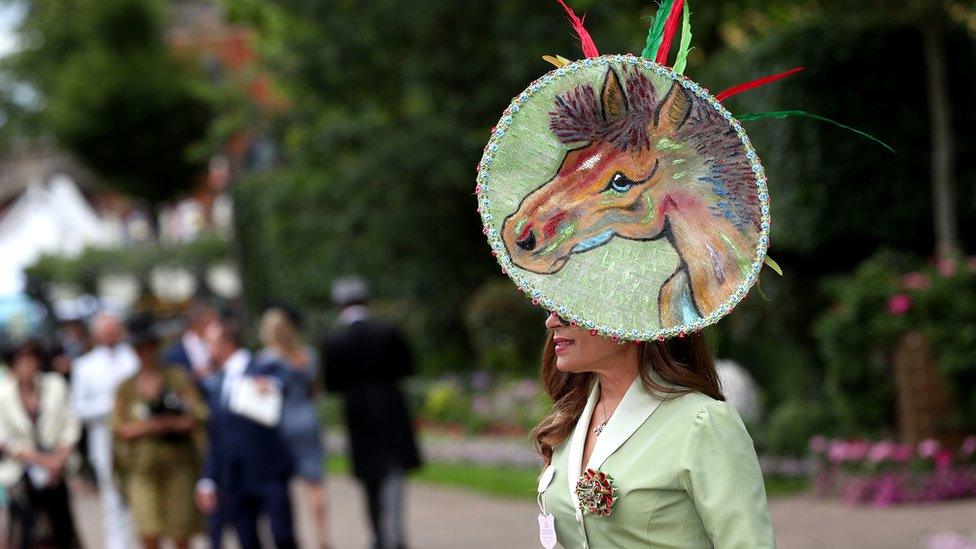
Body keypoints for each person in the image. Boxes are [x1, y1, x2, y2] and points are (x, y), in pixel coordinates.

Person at [322, 277, 421, 549]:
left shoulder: (334, 340)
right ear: (366, 301)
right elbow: (407, 367)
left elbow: (331, 384)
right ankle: (395, 536)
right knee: (393, 473)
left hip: (358, 416)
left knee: (369, 479)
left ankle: (378, 535)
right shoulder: (388, 330)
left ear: (338, 305)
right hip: (391, 410)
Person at [195, 319, 297, 549]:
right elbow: (216, 436)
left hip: (268, 470)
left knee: (282, 534)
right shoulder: (216, 382)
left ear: (227, 344)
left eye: (210, 342)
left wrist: (270, 386)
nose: (207, 349)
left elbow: (281, 381)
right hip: (234, 476)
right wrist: (208, 479)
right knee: (247, 539)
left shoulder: (260, 367)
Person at [112, 316, 208, 549]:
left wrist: (170, 424)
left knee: (180, 529)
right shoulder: (126, 387)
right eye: (140, 347)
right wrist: (148, 427)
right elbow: (119, 428)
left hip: (178, 463)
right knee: (148, 529)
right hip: (142, 467)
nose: (146, 352)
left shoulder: (176, 378)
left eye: (150, 346)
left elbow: (198, 416)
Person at [258, 307, 330, 548]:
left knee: (284, 486)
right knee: (314, 483)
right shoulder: (307, 355)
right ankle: (322, 535)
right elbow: (315, 389)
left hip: (282, 422)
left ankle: (293, 534)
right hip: (307, 417)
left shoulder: (267, 359)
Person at [0, 339, 82, 548]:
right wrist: (40, 460)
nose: (27, 365)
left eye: (31, 358)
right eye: (22, 359)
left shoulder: (54, 385)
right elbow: (5, 439)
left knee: (61, 529)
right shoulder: (4, 394)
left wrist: (58, 458)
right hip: (23, 472)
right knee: (28, 533)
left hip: (56, 469)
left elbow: (70, 423)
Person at [69, 312, 138, 549]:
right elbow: (78, 408)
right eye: (106, 331)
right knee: (114, 505)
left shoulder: (134, 357)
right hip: (107, 445)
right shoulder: (85, 365)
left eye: (114, 329)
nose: (111, 334)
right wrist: (111, 406)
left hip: (141, 443)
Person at [164, 301, 218, 383]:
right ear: (199, 322)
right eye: (210, 320)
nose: (214, 324)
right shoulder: (177, 352)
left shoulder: (216, 341)